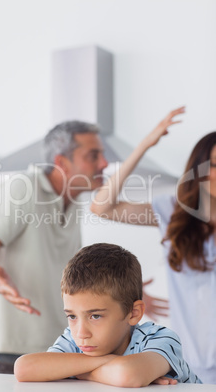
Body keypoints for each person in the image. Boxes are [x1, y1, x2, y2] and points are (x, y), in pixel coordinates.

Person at [0, 120, 166, 374]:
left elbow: (78, 278)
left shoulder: (73, 202)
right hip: (8, 352)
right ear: (62, 162)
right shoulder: (22, 189)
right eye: (93, 155)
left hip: (53, 350)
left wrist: (121, 292)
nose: (104, 163)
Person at [90, 107, 216, 384]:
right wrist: (144, 145)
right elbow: (102, 207)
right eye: (214, 166)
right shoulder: (174, 211)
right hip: (189, 364)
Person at [14, 243, 201, 386]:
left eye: (95, 316)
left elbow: (127, 375)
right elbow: (24, 368)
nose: (81, 333)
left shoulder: (160, 338)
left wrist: (76, 371)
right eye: (72, 316)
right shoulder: (73, 340)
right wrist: (109, 362)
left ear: (133, 313)